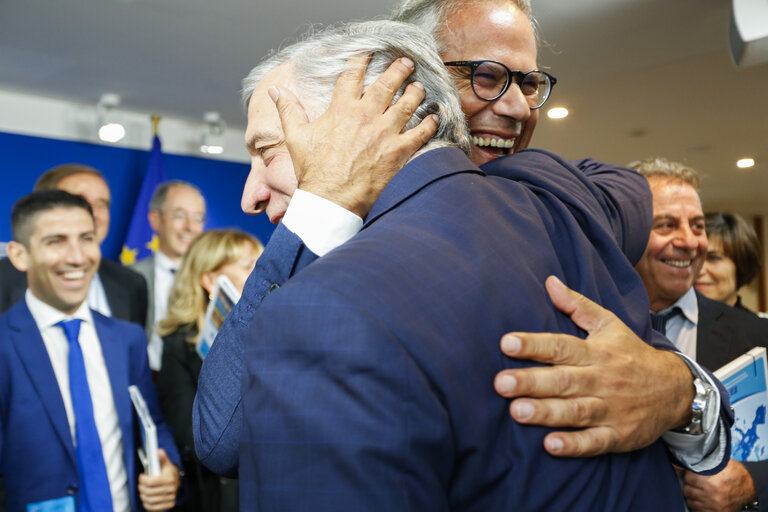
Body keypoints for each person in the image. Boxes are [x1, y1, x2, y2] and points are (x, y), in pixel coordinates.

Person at [193, 0, 732, 477]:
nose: (519, 107)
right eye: (486, 75)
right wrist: (327, 201)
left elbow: (627, 188)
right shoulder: (347, 271)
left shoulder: (554, 201)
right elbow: (227, 436)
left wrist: (680, 389)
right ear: (405, 82)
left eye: (527, 83)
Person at [0, 190, 180, 512]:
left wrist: (169, 468)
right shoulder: (4, 344)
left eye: (86, 238)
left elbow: (151, 422)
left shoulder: (128, 339)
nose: (77, 257)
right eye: (56, 241)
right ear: (18, 255)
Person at [630, 157, 768, 512]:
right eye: (666, 225)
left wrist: (753, 483)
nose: (689, 242)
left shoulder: (757, 336)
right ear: (625, 230)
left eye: (697, 226)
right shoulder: (588, 332)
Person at [156, 229, 262, 512]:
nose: (262, 272)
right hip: (215, 495)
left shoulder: (276, 333)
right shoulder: (178, 345)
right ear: (212, 280)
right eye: (248, 265)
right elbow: (191, 436)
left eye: (261, 262)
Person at [0, 164, 148, 327]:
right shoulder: (3, 279)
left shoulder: (131, 284)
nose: (92, 213)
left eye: (101, 203)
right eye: (77, 201)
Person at [130, 180, 206, 371]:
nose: (190, 227)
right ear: (156, 220)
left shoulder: (212, 280)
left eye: (198, 218)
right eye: (180, 216)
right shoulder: (129, 277)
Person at [695, 211, 763, 313]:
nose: (698, 270)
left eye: (713, 258)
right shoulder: (668, 325)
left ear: (742, 264)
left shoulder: (758, 328)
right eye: (692, 258)